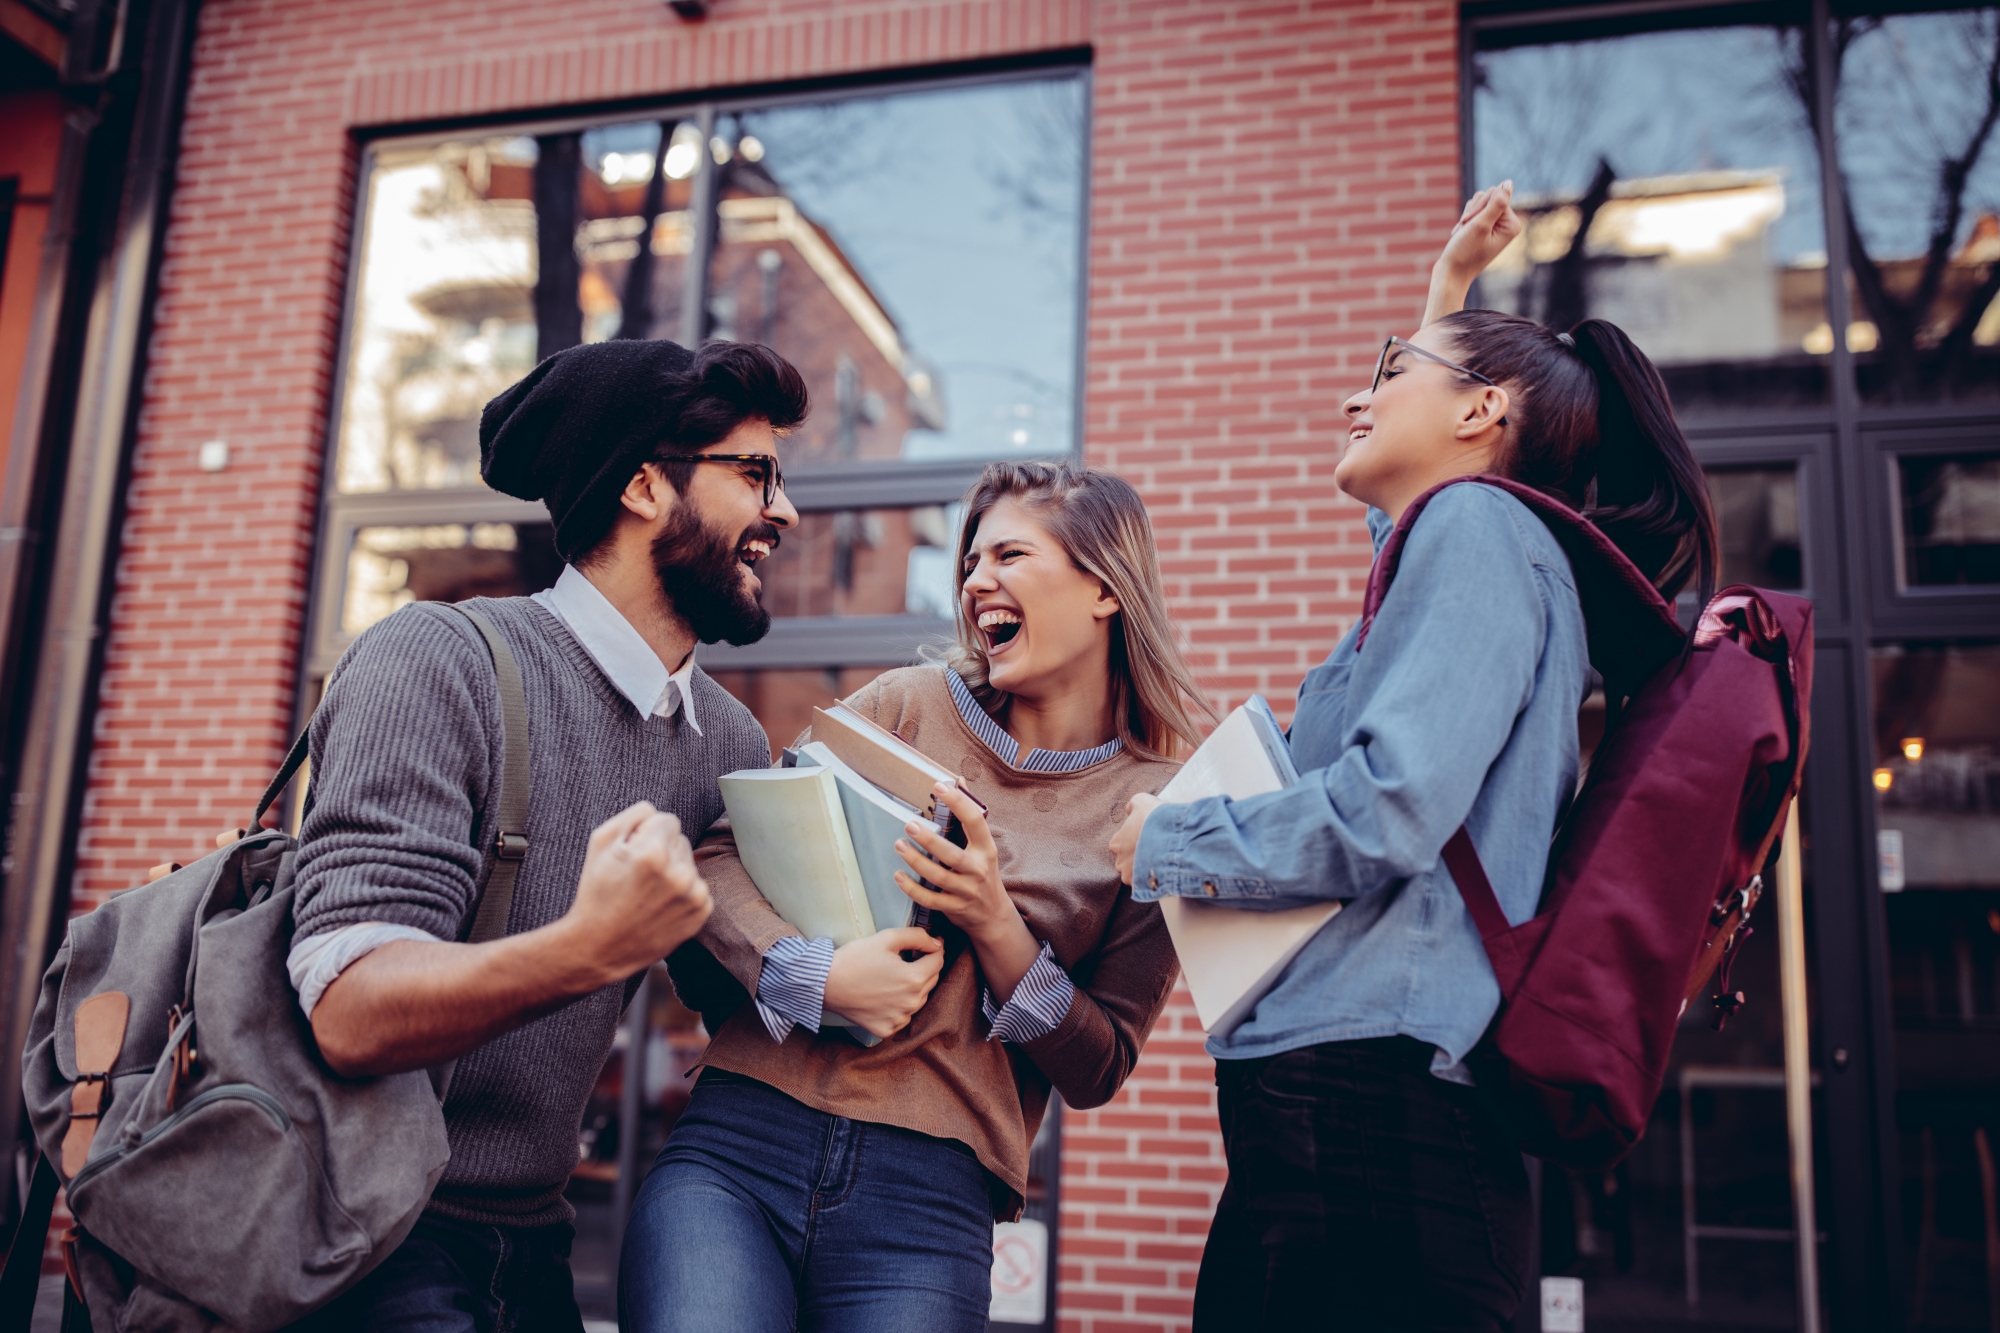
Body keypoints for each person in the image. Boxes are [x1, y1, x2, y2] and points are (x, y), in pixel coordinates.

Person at [1109, 182, 1722, 1330]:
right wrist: (1442, 298)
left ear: (1482, 413)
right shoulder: (1461, 540)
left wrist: (1166, 841)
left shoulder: (1478, 530)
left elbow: (1388, 807)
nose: (1354, 392)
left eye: (1389, 374)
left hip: (1374, 1120)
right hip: (1343, 1112)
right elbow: (1399, 533)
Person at [621, 461, 1215, 1332]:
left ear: (1103, 587)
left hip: (928, 1202)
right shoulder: (906, 703)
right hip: (742, 1141)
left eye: (1009, 555)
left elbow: (1100, 1065)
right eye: (971, 563)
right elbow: (719, 853)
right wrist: (812, 974)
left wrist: (995, 922)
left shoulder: (1160, 807)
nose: (978, 582)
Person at [288, 338, 805, 1332]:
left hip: (535, 1238)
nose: (781, 511)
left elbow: (748, 997)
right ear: (644, 485)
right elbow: (350, 1009)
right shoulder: (438, 660)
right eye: (753, 474)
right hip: (363, 1230)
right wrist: (585, 950)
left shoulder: (726, 739)